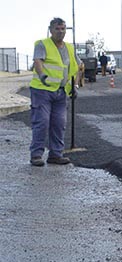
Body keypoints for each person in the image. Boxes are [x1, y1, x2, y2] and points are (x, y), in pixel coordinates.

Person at [28, 18, 82, 166]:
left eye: (63, 28)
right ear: (50, 30)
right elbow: (38, 61)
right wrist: (42, 75)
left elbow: (79, 67)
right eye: (57, 29)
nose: (61, 31)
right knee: (42, 122)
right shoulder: (42, 44)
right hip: (42, 90)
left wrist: (75, 86)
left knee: (59, 123)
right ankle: (36, 155)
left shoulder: (70, 48)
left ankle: (55, 155)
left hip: (61, 92)